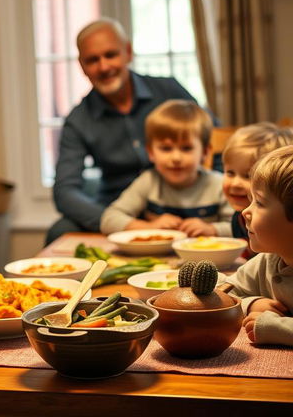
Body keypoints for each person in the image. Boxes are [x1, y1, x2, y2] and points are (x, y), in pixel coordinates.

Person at [48, 18, 198, 243]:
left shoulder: (168, 90)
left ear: (128, 52)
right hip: (118, 210)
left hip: (181, 202)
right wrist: (130, 225)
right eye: (92, 60)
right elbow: (65, 192)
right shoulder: (78, 120)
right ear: (81, 66)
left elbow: (213, 144)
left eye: (110, 55)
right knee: (60, 230)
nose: (104, 67)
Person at [100, 100, 232, 236]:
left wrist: (212, 230)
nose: (176, 158)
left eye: (186, 148)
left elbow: (241, 227)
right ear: (151, 153)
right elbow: (109, 219)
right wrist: (149, 227)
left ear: (205, 152)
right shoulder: (149, 181)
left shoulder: (219, 185)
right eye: (166, 148)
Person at [225, 146, 293, 346]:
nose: (246, 211)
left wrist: (277, 327)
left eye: (260, 203)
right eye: (251, 200)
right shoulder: (268, 260)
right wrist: (251, 303)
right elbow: (223, 293)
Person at [221, 123, 293, 249]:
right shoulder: (238, 219)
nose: (236, 183)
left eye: (248, 176)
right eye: (230, 173)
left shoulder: (277, 228)